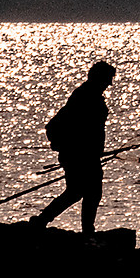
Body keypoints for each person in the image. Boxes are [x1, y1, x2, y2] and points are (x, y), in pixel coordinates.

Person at [31, 61, 114, 230]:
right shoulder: (86, 96)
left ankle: (44, 221)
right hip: (80, 154)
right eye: (108, 79)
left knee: (82, 191)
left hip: (84, 153)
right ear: (100, 78)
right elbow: (83, 127)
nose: (110, 83)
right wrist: (88, 150)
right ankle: (47, 222)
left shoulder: (87, 94)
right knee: (84, 191)